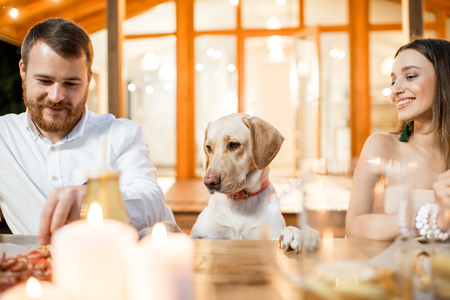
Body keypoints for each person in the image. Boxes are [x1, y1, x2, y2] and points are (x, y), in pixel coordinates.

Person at [0, 18, 169, 245]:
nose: (56, 96)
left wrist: (97, 201)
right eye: (45, 80)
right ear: (23, 71)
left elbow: (153, 202)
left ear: (89, 79)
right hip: (38, 271)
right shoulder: (4, 137)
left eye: (71, 84)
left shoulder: (121, 134)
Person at [346, 38, 450, 240]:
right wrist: (431, 219)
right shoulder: (381, 145)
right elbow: (355, 227)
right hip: (391, 269)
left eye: (410, 76)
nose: (395, 90)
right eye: (393, 81)